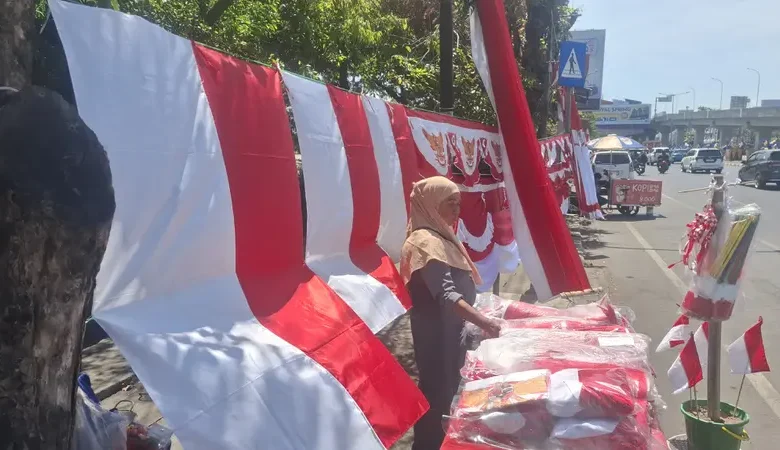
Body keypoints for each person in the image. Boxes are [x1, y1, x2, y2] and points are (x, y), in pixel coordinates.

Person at [400, 176, 501, 450]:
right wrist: (487, 323)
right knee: (438, 392)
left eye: (458, 203)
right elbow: (447, 295)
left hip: (451, 329)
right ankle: (428, 445)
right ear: (431, 204)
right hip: (437, 333)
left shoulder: (442, 236)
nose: (457, 209)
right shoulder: (424, 242)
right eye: (450, 203)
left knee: (450, 390)